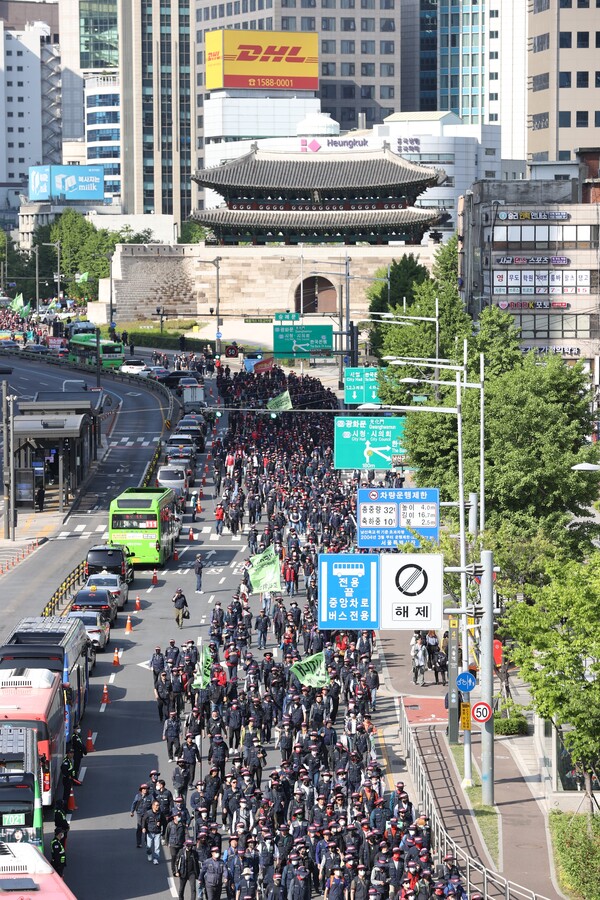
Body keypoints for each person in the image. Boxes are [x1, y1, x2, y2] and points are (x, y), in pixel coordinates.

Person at [141, 798, 163, 864]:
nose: (157, 807)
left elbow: (164, 822)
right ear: (153, 806)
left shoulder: (160, 813)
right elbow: (143, 820)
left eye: (158, 805)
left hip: (157, 832)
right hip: (149, 832)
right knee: (149, 846)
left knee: (157, 847)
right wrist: (143, 828)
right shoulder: (148, 813)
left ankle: (156, 859)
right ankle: (149, 853)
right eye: (156, 805)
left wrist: (160, 824)